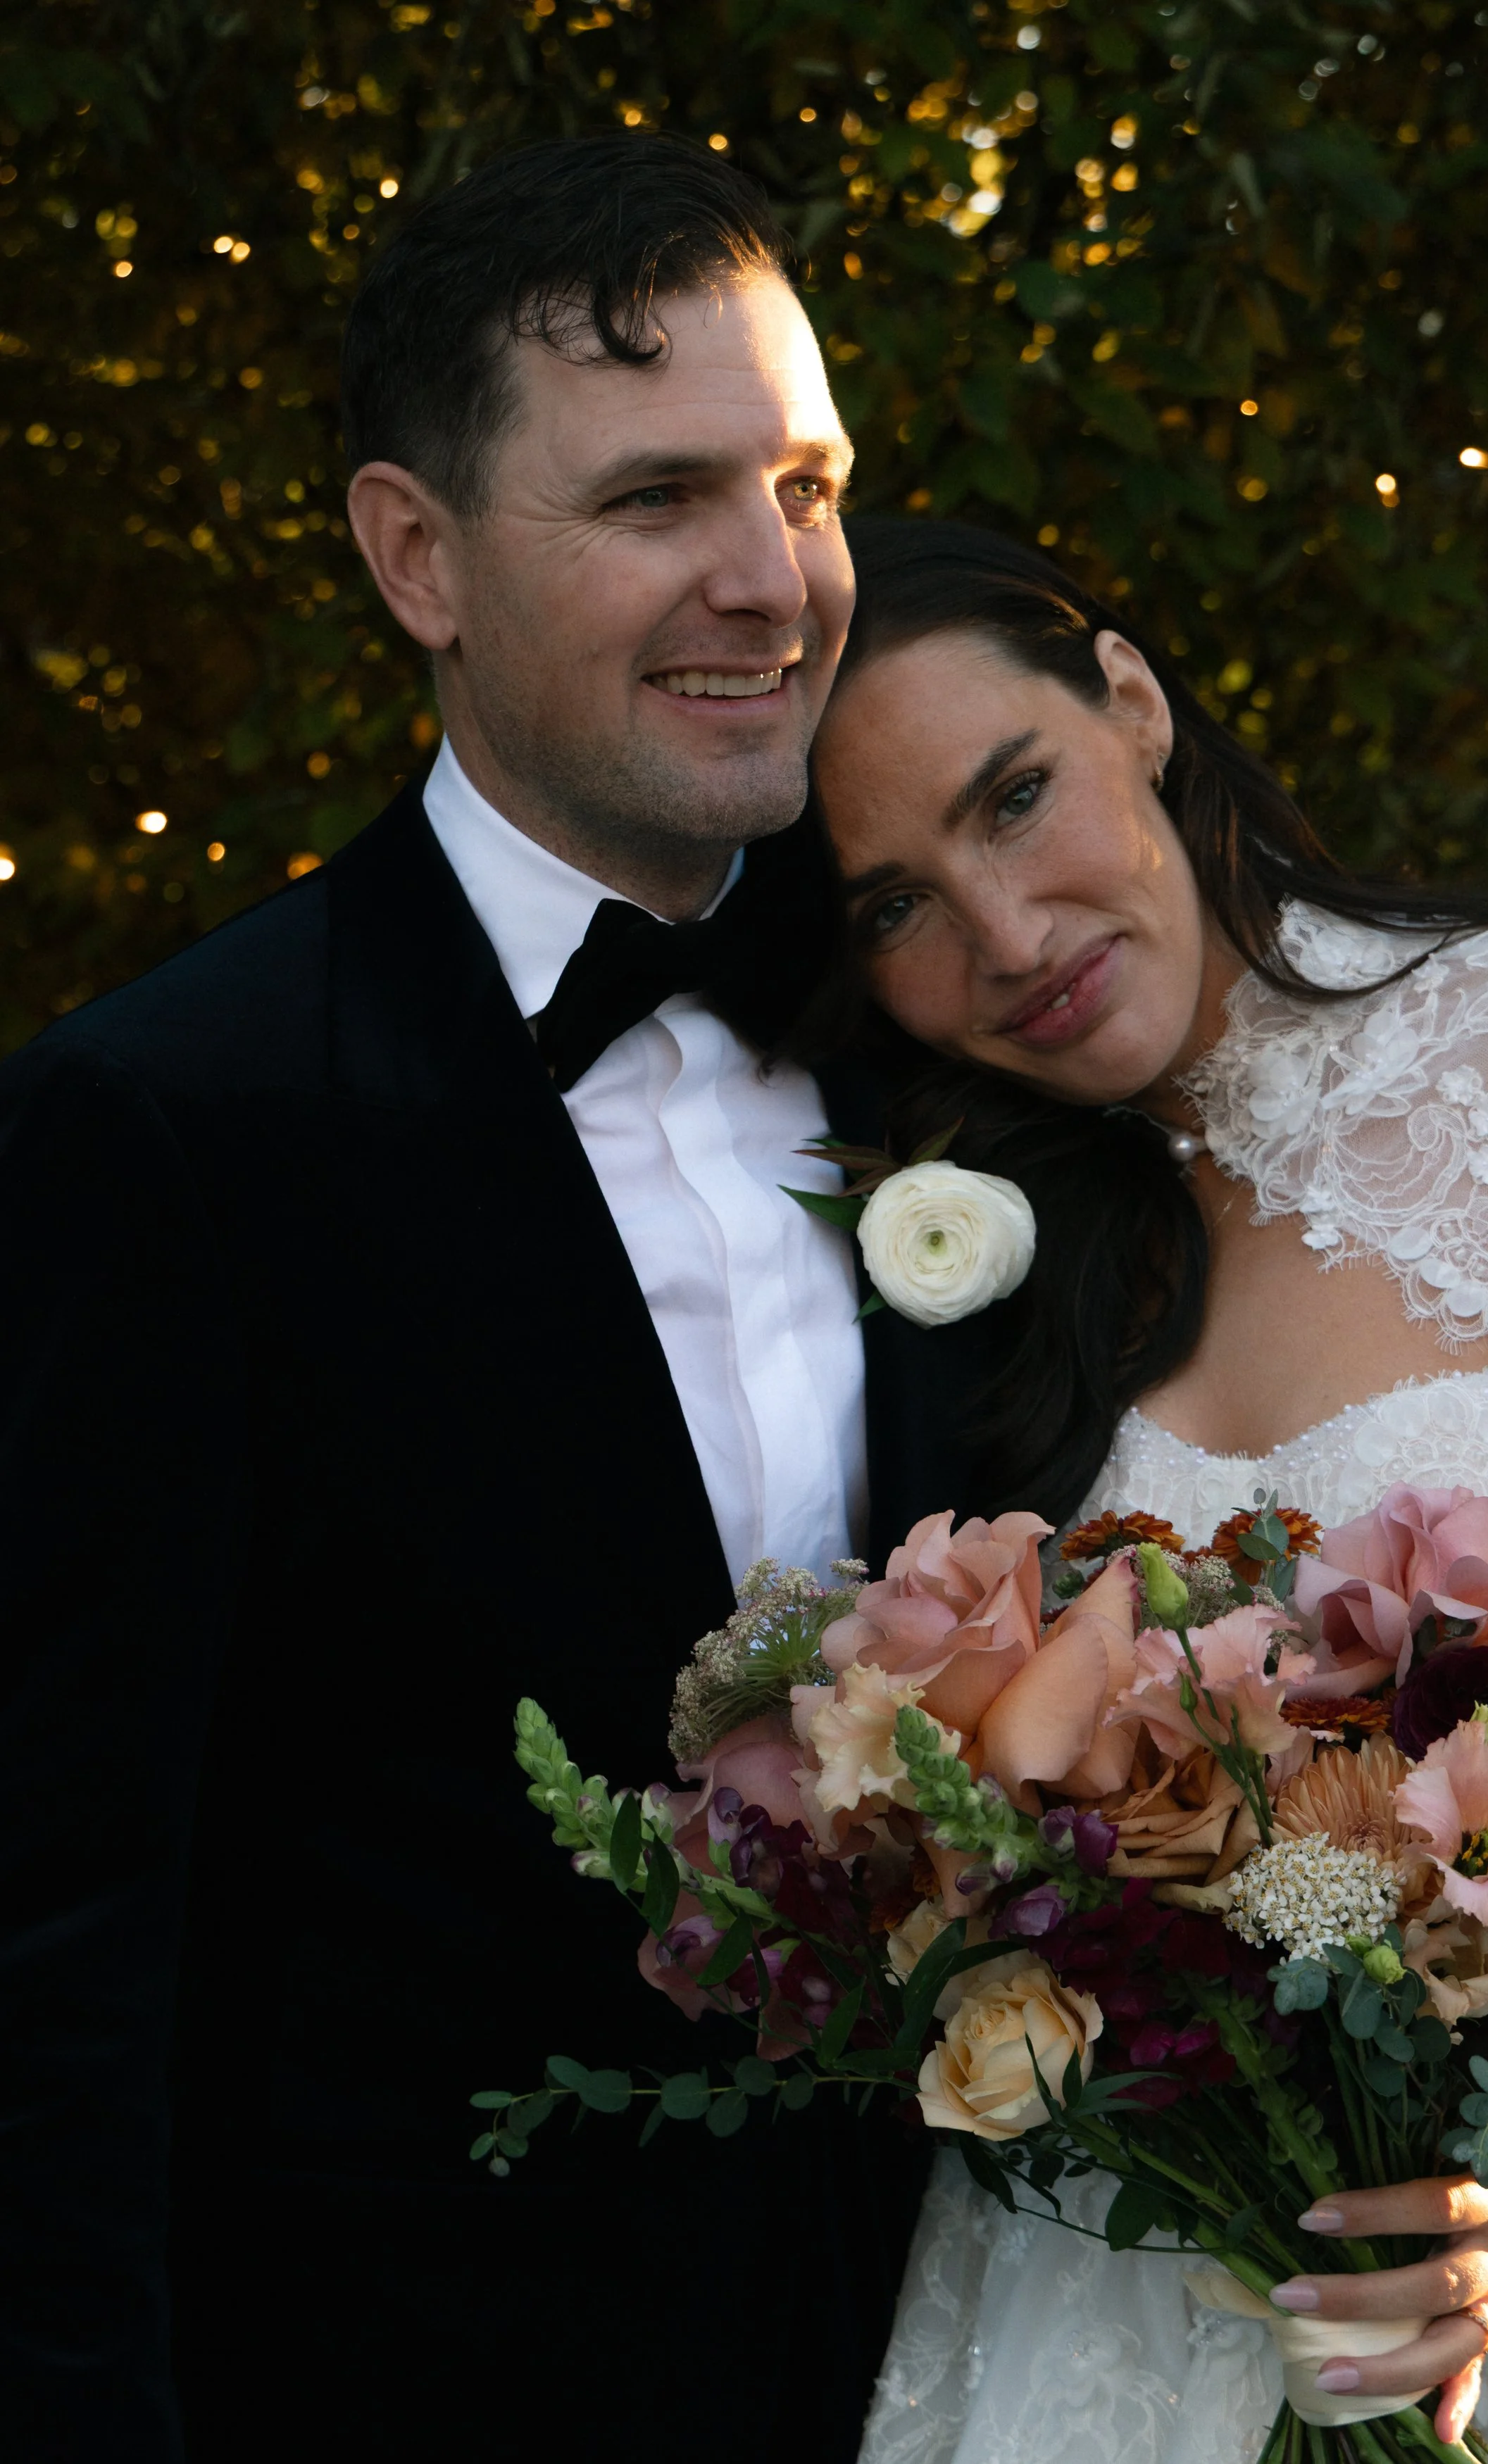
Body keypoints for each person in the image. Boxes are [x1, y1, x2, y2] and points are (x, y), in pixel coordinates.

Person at [0, 137, 985, 2462]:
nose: (774, 583)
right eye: (657, 500)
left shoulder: (967, 1036)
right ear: (414, 556)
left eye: (808, 480)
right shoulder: (163, 1126)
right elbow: (57, 1959)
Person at [809, 518, 1488, 2464]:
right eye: (892, 905)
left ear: (1132, 701)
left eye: (1016, 794)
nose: (1004, 934)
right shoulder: (966, 1311)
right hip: (1094, 2326)